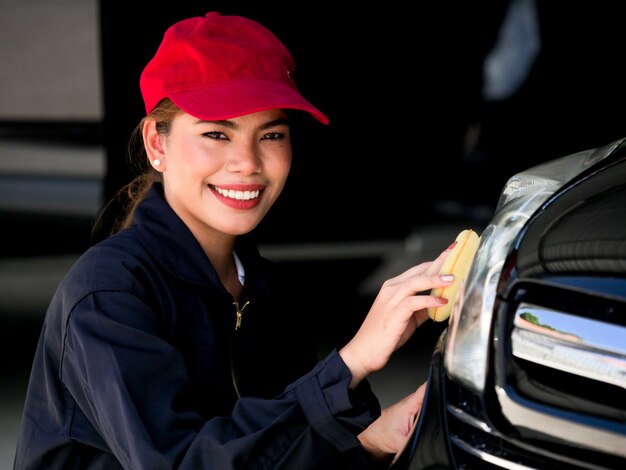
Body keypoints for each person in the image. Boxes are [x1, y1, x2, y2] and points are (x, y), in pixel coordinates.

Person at [14, 11, 456, 469]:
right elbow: (186, 463)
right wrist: (351, 362)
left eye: (270, 134)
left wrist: (373, 437)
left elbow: (269, 453)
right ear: (156, 145)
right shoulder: (109, 295)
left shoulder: (268, 290)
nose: (247, 162)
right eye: (216, 133)